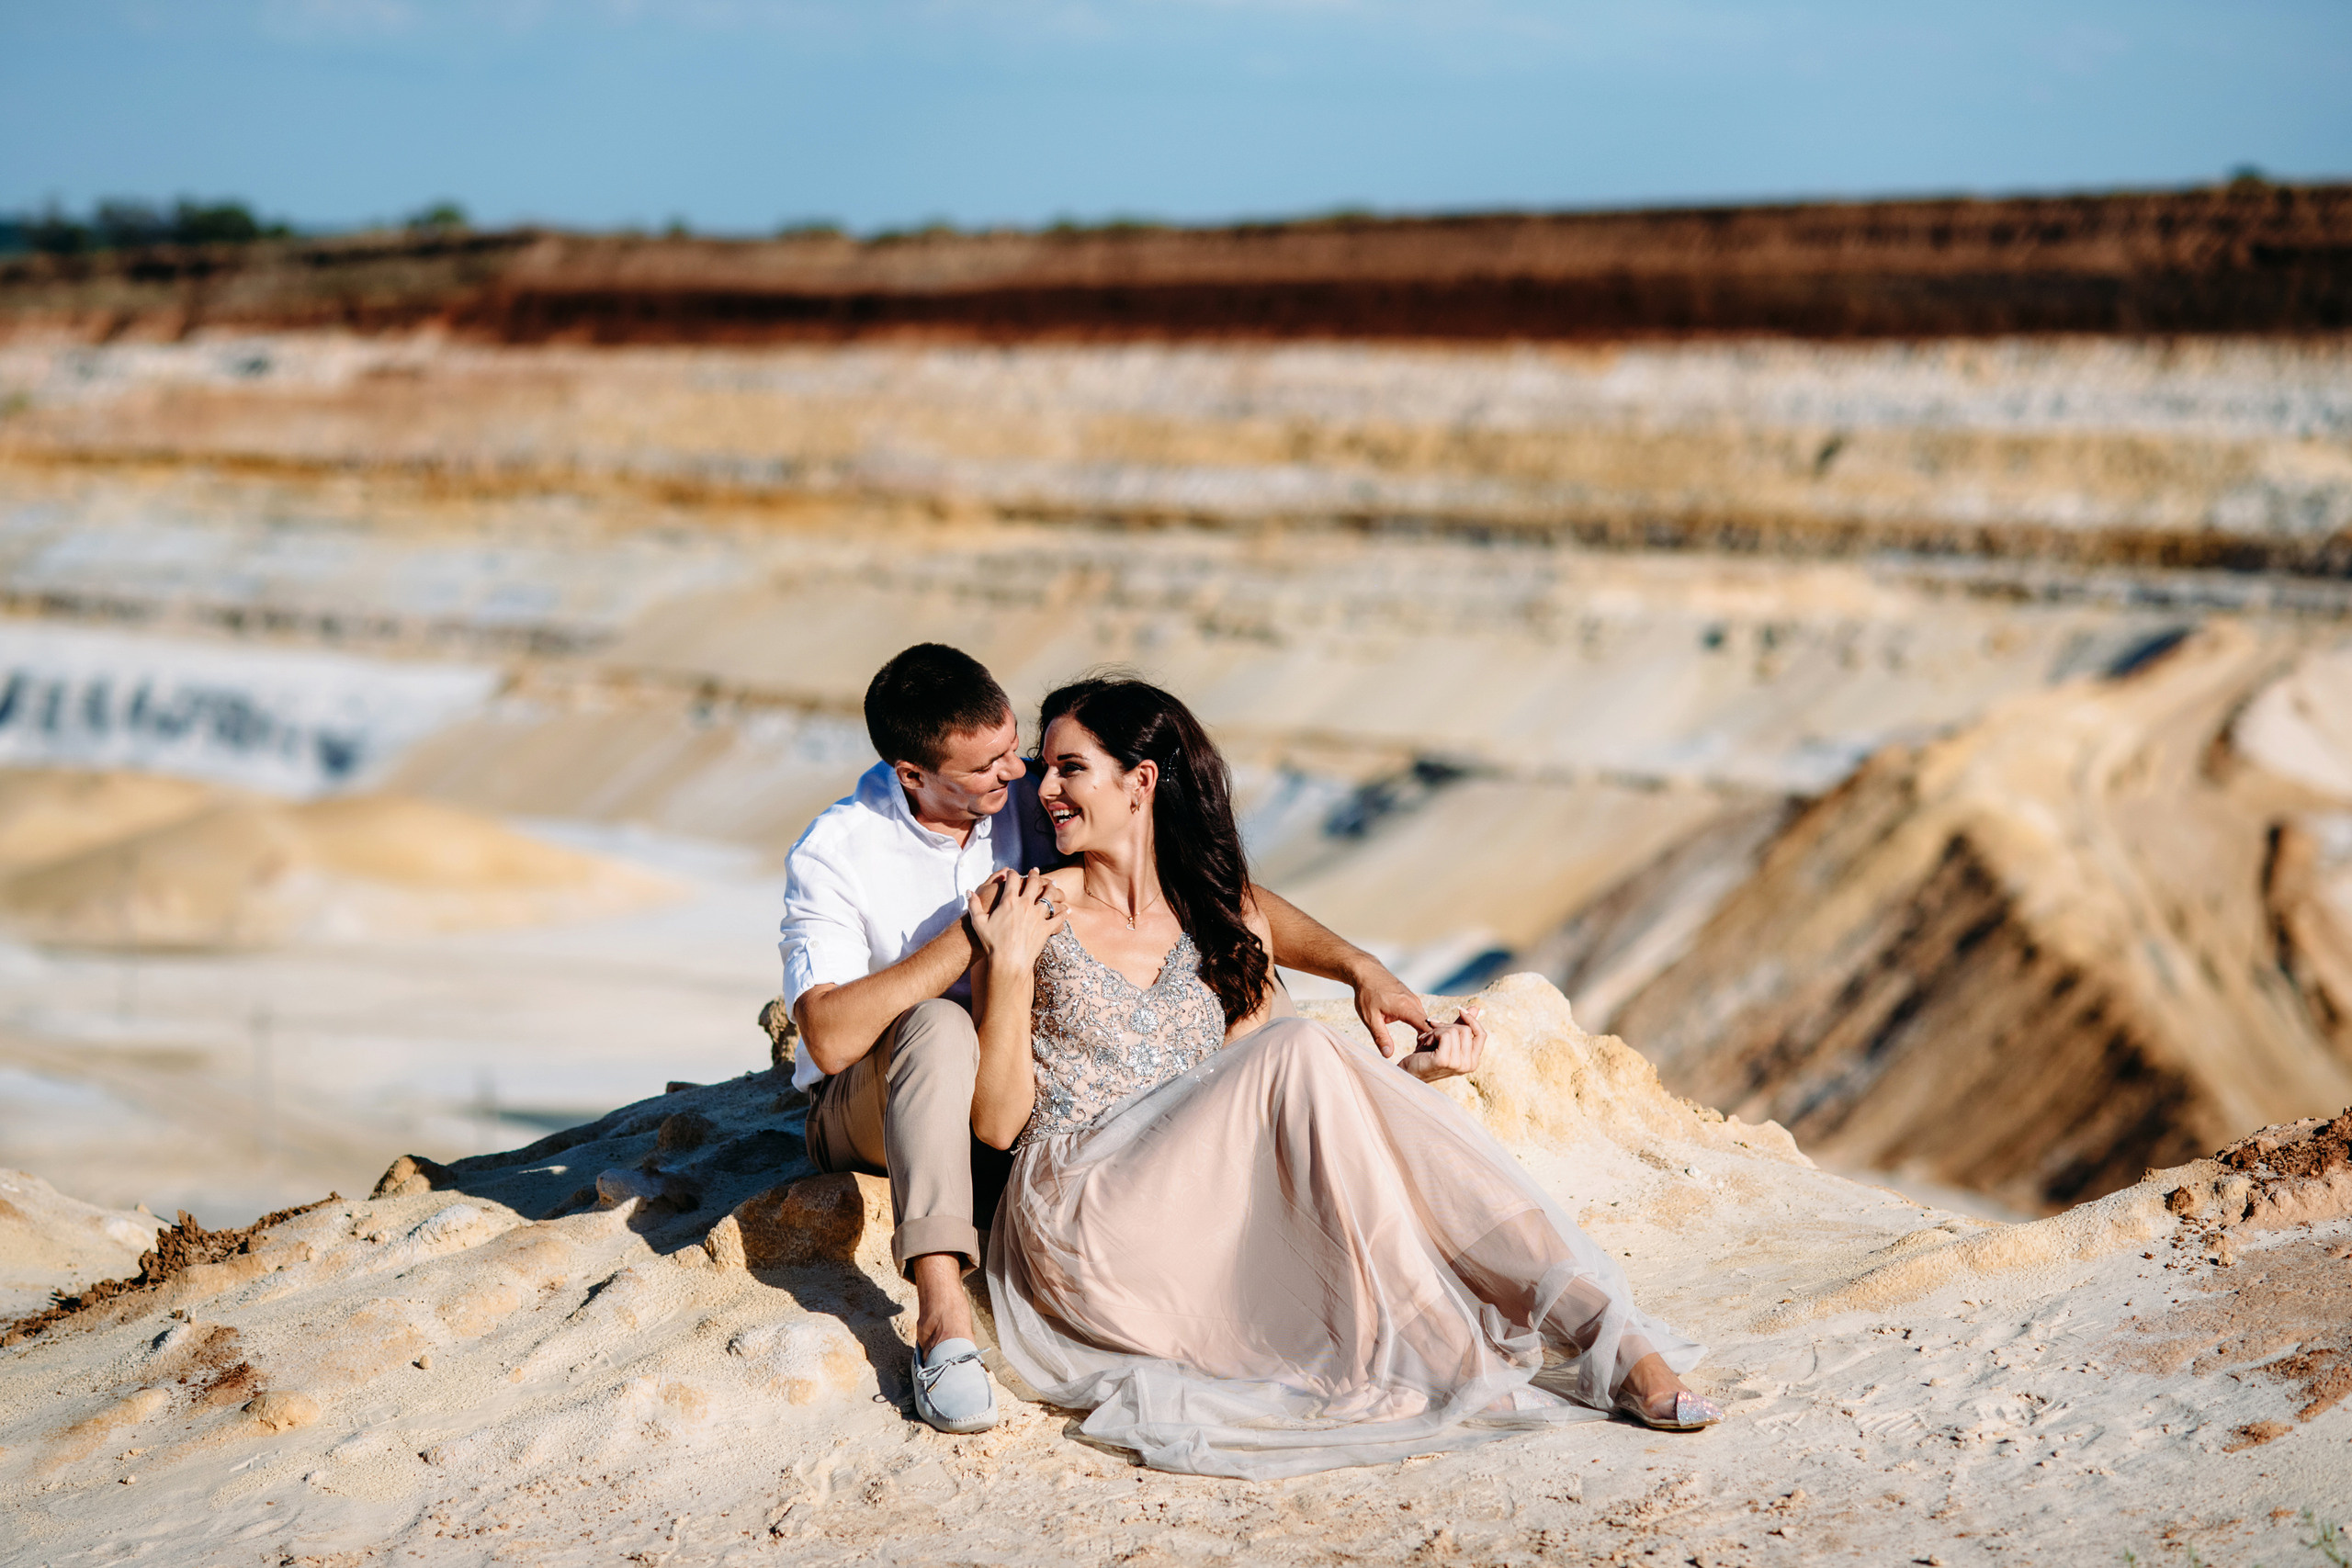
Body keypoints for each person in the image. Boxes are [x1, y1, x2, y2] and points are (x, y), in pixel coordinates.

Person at [964, 676, 1719, 1478]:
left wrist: (1409, 1076)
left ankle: (1609, 1329)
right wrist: (1008, 971)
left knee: (1304, 1055)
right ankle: (1453, 1350)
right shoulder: (1029, 910)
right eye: (1044, 768)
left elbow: (1275, 1113)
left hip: (1205, 1214)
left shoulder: (1225, 917)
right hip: (1089, 1216)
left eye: (1068, 768)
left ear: (1140, 781)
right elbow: (998, 1125)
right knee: (1299, 1046)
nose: (1042, 790)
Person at [778, 646, 1451, 1436]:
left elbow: (1218, 895)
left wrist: (1358, 967)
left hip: (1011, 1086)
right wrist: (980, 935)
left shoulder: (1031, 792)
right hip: (881, 1097)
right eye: (988, 767)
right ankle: (942, 1323)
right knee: (938, 1024)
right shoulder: (838, 850)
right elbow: (827, 1037)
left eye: (1014, 750)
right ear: (912, 774)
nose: (1019, 775)